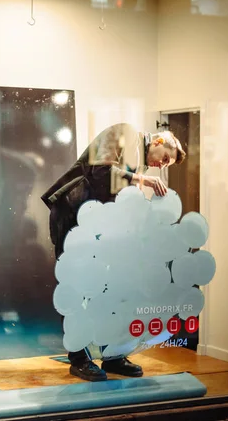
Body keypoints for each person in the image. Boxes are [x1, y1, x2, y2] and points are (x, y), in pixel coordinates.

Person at [41, 122, 187, 382]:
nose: (162, 166)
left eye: (167, 165)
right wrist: (143, 180)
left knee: (112, 287)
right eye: (164, 159)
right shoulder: (125, 133)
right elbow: (100, 172)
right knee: (78, 287)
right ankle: (79, 358)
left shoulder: (139, 160)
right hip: (75, 218)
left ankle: (113, 355)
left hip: (98, 225)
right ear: (156, 142)